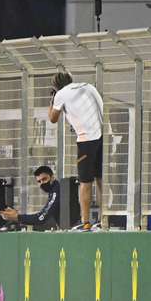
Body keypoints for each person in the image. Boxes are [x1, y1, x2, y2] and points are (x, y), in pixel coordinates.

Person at [48, 72, 103, 231]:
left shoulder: (60, 94)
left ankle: (85, 222)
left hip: (86, 140)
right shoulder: (88, 86)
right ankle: (103, 220)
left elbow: (52, 118)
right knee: (101, 180)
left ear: (56, 87)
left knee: (85, 183)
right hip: (102, 135)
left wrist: (52, 99)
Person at [0, 166, 60, 231]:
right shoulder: (54, 191)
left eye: (44, 179)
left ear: (52, 177)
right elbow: (44, 213)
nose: (42, 183)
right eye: (39, 181)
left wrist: (17, 217)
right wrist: (18, 215)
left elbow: (41, 218)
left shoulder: (56, 191)